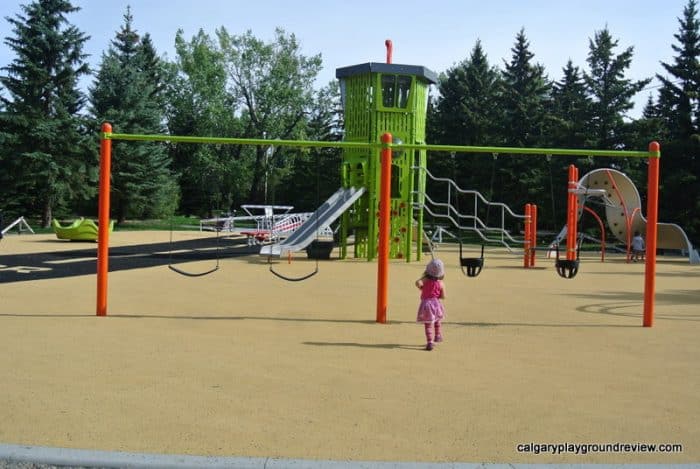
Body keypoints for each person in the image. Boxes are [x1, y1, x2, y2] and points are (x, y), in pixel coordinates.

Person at [415, 258, 446, 351]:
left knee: (428, 323)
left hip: (426, 304)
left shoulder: (425, 279)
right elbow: (443, 296)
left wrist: (422, 287)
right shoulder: (441, 283)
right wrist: (437, 294)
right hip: (436, 303)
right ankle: (437, 335)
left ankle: (430, 342)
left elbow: (417, 283)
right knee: (437, 320)